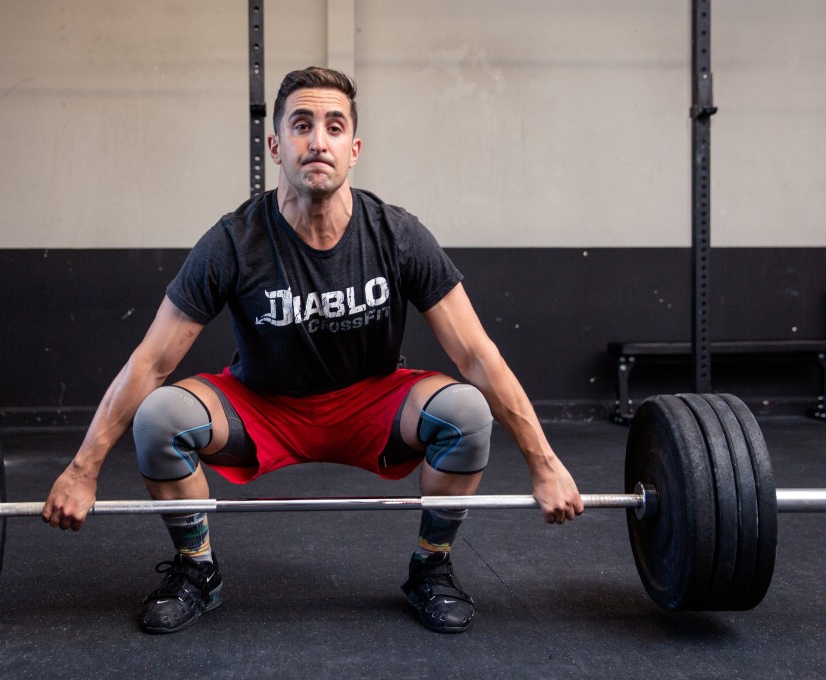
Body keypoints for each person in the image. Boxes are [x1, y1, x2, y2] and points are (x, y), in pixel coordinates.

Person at [42, 66, 584, 635]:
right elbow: (152, 361)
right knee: (159, 418)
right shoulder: (234, 241)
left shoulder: (396, 234)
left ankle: (432, 566)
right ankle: (196, 569)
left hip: (373, 403)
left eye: (333, 126)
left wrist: (544, 464)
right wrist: (83, 469)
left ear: (354, 148)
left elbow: (476, 355)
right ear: (276, 145)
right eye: (302, 125)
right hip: (262, 406)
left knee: (467, 411)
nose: (317, 140)